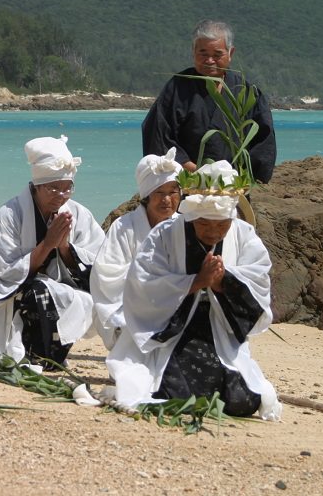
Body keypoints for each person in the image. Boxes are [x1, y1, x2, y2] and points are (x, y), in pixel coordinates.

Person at [106, 161, 281, 420]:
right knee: (174, 391)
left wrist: (224, 282)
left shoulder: (244, 234)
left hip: (220, 327)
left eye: (221, 225)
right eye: (204, 225)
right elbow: (142, 283)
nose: (213, 232)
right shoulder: (164, 235)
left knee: (243, 400)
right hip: (174, 330)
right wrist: (195, 282)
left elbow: (258, 279)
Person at [0, 136, 104, 368]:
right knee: (40, 291)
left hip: (63, 284)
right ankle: (38, 356)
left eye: (68, 188)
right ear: (36, 187)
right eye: (53, 188)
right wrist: (47, 244)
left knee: (81, 298)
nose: (61, 195)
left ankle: (52, 357)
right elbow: (6, 272)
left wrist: (64, 246)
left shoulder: (78, 214)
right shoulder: (10, 214)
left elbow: (98, 263)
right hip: (17, 291)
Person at [141, 19, 277, 184]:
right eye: (203, 54)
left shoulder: (246, 92)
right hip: (186, 180)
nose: (210, 60)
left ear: (230, 53)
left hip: (232, 184)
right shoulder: (177, 88)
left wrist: (240, 178)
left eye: (217, 54)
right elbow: (158, 134)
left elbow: (264, 140)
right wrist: (195, 171)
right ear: (193, 52)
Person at [90, 148, 183, 350]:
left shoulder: (184, 227)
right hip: (129, 305)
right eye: (159, 193)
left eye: (173, 192)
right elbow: (107, 274)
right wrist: (152, 287)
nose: (167, 200)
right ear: (147, 196)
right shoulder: (124, 227)